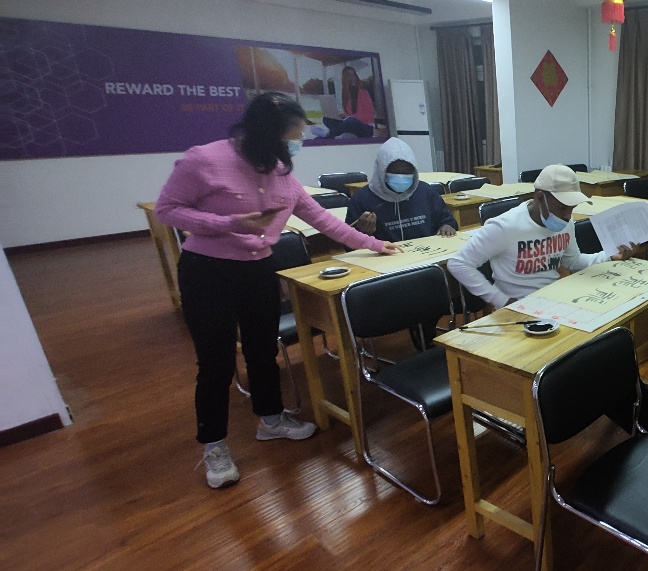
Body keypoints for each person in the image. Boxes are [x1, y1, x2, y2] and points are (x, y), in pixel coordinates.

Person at [155, 92, 403, 489]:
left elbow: (321, 218)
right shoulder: (205, 159)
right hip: (208, 272)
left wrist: (373, 244)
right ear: (264, 134)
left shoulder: (281, 170)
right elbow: (167, 210)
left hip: (257, 270)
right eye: (292, 136)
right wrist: (230, 224)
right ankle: (214, 446)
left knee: (262, 351)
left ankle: (270, 420)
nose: (297, 143)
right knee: (216, 363)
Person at [448, 164, 648, 441]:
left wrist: (609, 256)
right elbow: (458, 263)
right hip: (520, 319)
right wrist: (500, 299)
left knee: (610, 350)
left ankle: (647, 426)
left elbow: (574, 261)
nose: (567, 215)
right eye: (562, 208)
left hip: (557, 304)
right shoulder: (505, 227)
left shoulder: (564, 223)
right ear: (540, 197)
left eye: (571, 209)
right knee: (596, 361)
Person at [346, 137, 458, 242]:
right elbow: (347, 244)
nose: (401, 176)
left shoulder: (426, 192)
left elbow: (448, 220)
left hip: (427, 252)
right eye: (394, 171)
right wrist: (361, 234)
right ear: (381, 171)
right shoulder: (362, 199)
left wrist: (448, 226)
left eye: (406, 172)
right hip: (385, 254)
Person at [322, 66, 375, 139]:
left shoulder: (363, 92)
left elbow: (369, 114)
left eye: (354, 75)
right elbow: (348, 113)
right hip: (351, 124)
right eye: (349, 76)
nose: (352, 78)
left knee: (350, 121)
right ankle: (346, 133)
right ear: (344, 78)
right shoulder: (346, 94)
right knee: (327, 119)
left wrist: (350, 117)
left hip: (365, 127)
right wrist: (343, 115)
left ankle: (329, 134)